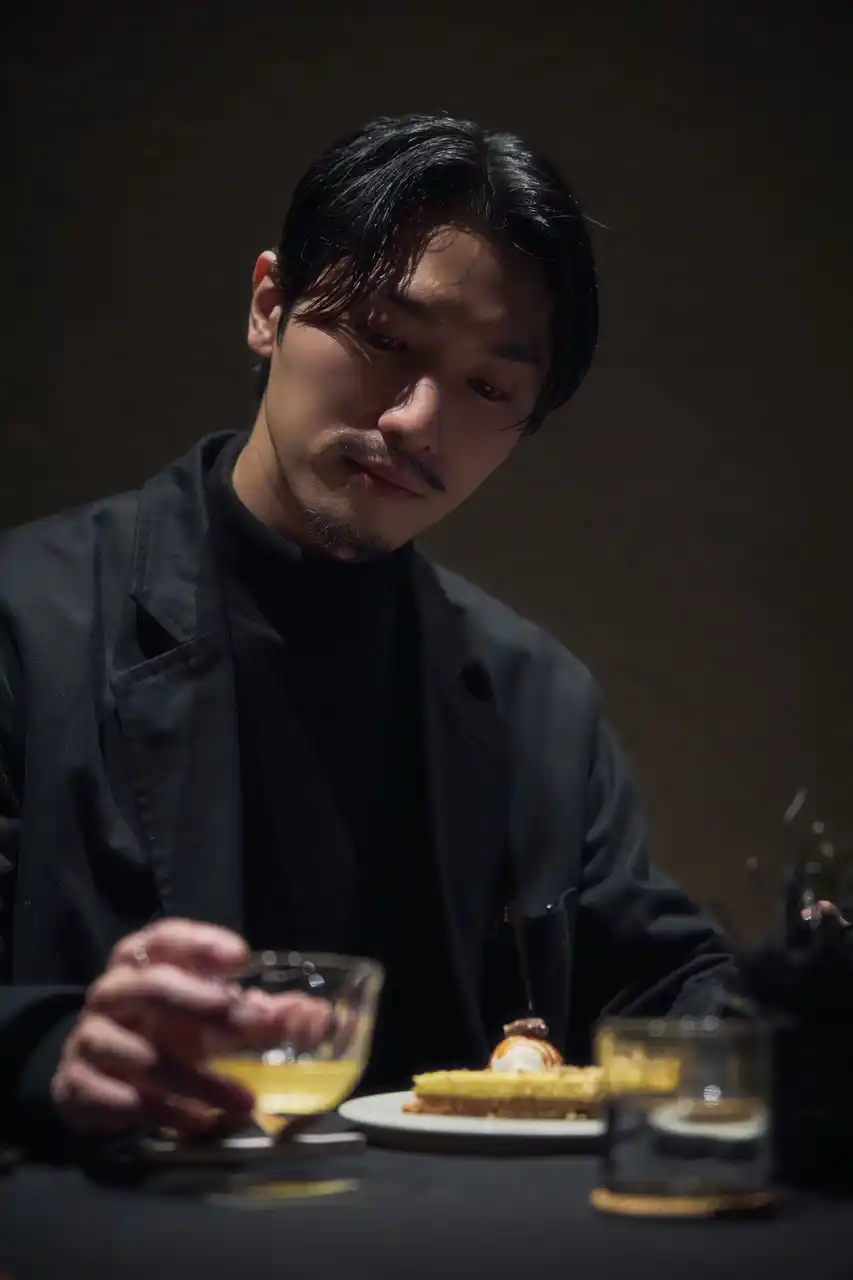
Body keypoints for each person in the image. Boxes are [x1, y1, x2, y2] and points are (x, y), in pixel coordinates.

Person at [0, 113, 734, 1150]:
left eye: (489, 388)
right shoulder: (27, 622)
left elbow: (662, 988)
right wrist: (49, 1052)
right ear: (269, 306)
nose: (416, 422)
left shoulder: (535, 700)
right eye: (386, 340)